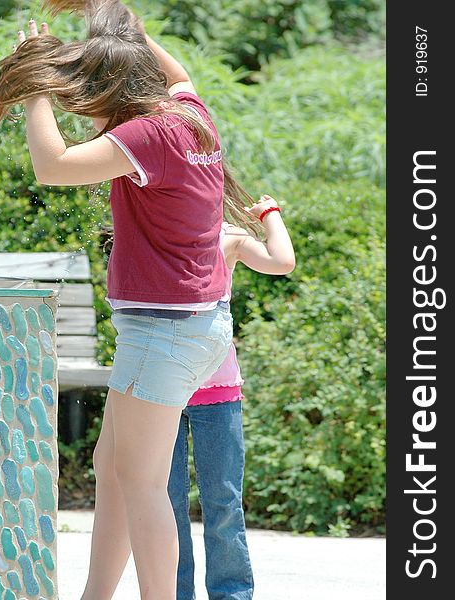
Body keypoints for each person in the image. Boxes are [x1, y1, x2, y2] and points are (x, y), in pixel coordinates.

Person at [0, 2, 278, 597]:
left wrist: (36, 82)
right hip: (195, 328)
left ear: (114, 83)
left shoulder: (146, 134)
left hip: (164, 333)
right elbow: (181, 76)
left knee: (143, 485)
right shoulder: (193, 116)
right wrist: (132, 31)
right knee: (114, 472)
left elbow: (53, 165)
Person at [168, 195, 295, 600]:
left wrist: (269, 214)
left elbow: (283, 262)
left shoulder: (230, 239)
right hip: (161, 387)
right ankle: (171, 593)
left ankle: (232, 594)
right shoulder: (156, 235)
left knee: (223, 501)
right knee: (165, 504)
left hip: (217, 391)